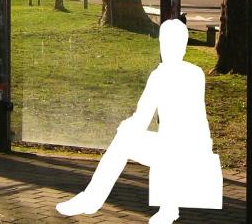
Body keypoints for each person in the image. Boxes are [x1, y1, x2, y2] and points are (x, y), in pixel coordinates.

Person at [56, 19, 221, 224]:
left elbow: (142, 118)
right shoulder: (195, 73)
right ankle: (168, 209)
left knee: (123, 141)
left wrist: (125, 128)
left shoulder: (160, 76)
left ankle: (92, 200)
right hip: (193, 146)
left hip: (176, 149)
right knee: (155, 142)